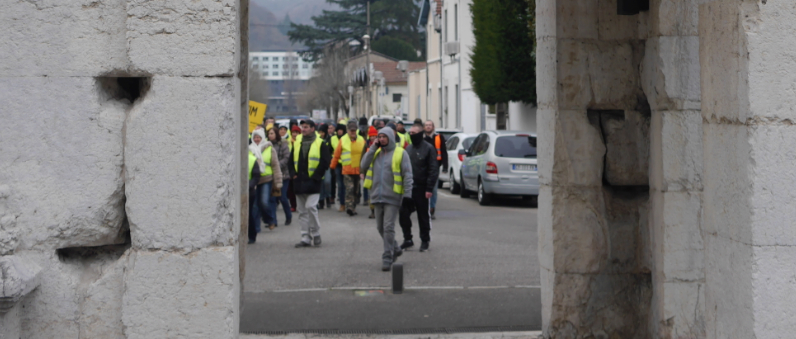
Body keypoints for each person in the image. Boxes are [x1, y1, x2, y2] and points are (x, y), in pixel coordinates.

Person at [360, 127, 414, 271]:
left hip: (393, 197)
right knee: (380, 228)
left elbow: (408, 175)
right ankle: (395, 248)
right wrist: (372, 147)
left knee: (388, 227)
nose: (382, 139)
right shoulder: (376, 152)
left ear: (390, 137)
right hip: (377, 196)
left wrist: (407, 195)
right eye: (380, 136)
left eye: (384, 137)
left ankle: (387, 256)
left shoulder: (400, 153)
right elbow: (363, 165)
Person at [288, 120, 332, 248]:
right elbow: (291, 161)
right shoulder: (297, 142)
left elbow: (325, 161)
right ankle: (305, 237)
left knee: (311, 207)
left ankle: (316, 232)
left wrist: (316, 177)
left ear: (313, 129)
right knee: (302, 211)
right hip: (299, 181)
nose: (303, 129)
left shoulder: (320, 143)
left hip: (313, 182)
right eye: (302, 127)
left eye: (306, 127)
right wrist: (293, 174)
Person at [399, 123, 438, 252]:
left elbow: (433, 169)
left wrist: (429, 188)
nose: (411, 135)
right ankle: (408, 239)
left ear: (420, 134)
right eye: (410, 133)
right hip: (408, 188)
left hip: (422, 188)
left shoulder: (429, 148)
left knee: (423, 216)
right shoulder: (408, 149)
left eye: (414, 133)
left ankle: (425, 240)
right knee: (403, 214)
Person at [331, 121, 368, 216]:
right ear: (347, 130)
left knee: (356, 190)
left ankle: (353, 207)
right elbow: (336, 154)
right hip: (347, 169)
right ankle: (349, 207)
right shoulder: (343, 140)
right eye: (351, 130)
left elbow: (367, 152)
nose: (352, 132)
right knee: (349, 188)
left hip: (358, 170)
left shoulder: (361, 139)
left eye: (354, 130)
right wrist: (332, 166)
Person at [254, 128, 283, 231]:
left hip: (267, 179)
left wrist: (278, 180)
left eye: (259, 137)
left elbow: (275, 165)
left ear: (262, 138)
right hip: (254, 180)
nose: (257, 139)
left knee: (264, 202)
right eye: (255, 137)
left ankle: (270, 219)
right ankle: (256, 228)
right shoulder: (249, 149)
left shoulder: (270, 148)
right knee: (255, 206)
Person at [269, 126, 292, 226]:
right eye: (269, 134)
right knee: (272, 198)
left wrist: (277, 165)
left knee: (282, 197)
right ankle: (273, 221)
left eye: (272, 133)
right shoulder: (267, 145)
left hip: (283, 175)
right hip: (272, 176)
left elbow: (287, 157)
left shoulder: (283, 143)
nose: (270, 135)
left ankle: (288, 216)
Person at [424, 120, 448, 220]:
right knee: (423, 189)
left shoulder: (439, 137)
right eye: (426, 125)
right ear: (424, 127)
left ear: (433, 127)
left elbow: (443, 152)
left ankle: (432, 209)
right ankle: (424, 208)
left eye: (430, 125)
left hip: (434, 167)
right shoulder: (421, 138)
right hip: (422, 167)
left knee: (433, 189)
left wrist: (445, 166)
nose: (428, 127)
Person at [247, 135, 263, 244]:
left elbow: (256, 176)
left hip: (248, 191)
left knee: (248, 214)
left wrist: (249, 186)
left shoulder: (252, 159)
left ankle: (252, 236)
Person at [317, 124, 333, 209]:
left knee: (327, 182)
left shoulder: (329, 140)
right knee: (321, 183)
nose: (321, 134)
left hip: (327, 164)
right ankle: (321, 200)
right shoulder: (317, 140)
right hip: (318, 163)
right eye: (319, 132)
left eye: (322, 132)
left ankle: (328, 197)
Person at [365, 125, 379, 219]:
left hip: (378, 171)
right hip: (369, 172)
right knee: (371, 193)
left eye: (374, 136)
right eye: (371, 136)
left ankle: (378, 210)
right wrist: (362, 172)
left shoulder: (380, 145)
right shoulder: (366, 145)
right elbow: (363, 159)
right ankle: (372, 210)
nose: (373, 137)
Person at [333, 123, 347, 212]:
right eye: (338, 130)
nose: (339, 131)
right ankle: (342, 204)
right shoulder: (333, 139)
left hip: (347, 165)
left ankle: (350, 203)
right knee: (340, 185)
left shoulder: (347, 139)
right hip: (338, 165)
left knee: (348, 186)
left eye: (341, 130)